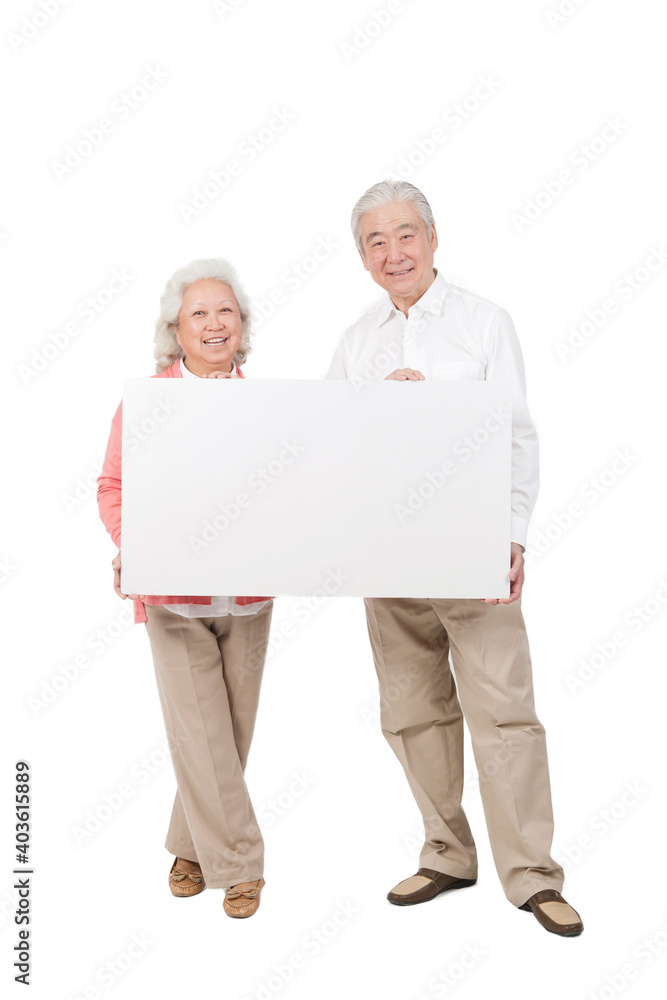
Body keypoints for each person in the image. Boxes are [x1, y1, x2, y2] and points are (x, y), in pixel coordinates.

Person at [326, 181, 583, 937]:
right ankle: (446, 851)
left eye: (405, 234)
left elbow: (516, 434)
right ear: (362, 258)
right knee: (410, 712)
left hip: (469, 549)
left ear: (433, 239)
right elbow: (325, 441)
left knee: (503, 714)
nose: (392, 252)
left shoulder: (482, 323)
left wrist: (512, 534)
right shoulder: (357, 340)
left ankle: (532, 875)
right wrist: (376, 402)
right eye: (375, 241)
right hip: (386, 554)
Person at [97, 258, 272, 918]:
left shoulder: (267, 406)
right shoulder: (148, 404)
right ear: (175, 328)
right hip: (173, 596)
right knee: (201, 727)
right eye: (199, 313)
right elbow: (112, 487)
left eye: (225, 311)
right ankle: (241, 863)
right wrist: (132, 546)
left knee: (228, 730)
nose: (214, 323)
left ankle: (189, 844)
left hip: (251, 595)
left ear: (242, 325)